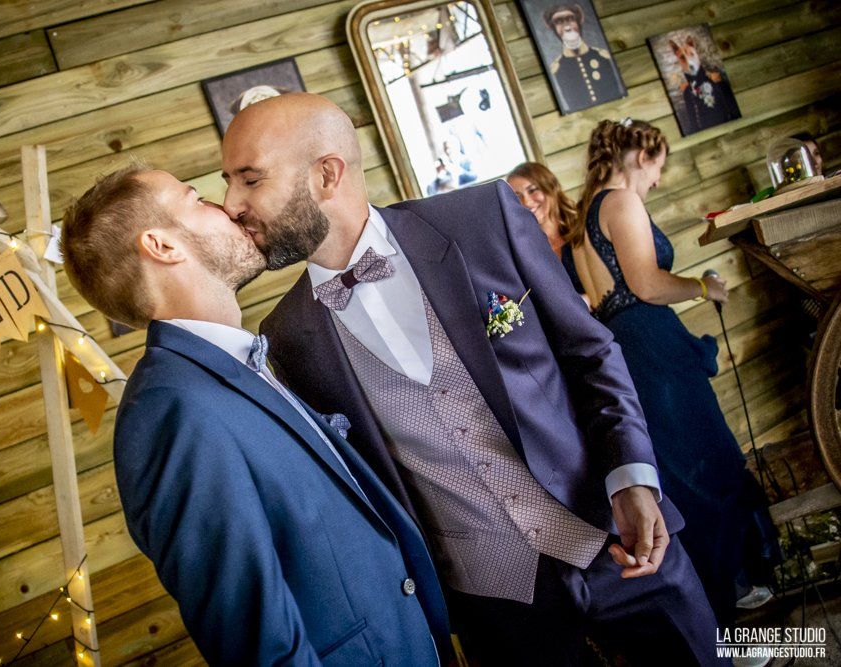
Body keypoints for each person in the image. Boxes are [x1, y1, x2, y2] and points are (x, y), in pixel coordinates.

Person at [221, 92, 723, 665]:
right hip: (495, 607)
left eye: (249, 179)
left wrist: (631, 478)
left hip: (617, 535)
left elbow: (591, 353)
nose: (231, 203)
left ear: (327, 174)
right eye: (228, 182)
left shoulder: (483, 217)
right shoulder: (287, 336)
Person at [60, 165, 451, 666]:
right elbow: (258, 645)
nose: (229, 207)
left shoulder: (236, 366)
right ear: (161, 245)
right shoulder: (168, 411)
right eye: (196, 199)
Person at [567, 118, 752, 631]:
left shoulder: (584, 216)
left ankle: (721, 603)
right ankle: (729, 607)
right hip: (651, 344)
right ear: (642, 156)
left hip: (624, 351)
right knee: (704, 461)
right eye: (659, 167)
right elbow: (647, 284)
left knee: (679, 469)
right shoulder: (621, 201)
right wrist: (703, 286)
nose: (658, 179)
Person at [542, 4, 624, 112]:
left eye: (570, 19)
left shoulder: (603, 55)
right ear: (554, 29)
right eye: (559, 22)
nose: (567, 26)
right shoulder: (556, 68)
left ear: (579, 22)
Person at [507, 162, 577, 259]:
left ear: (552, 188)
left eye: (532, 190)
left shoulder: (582, 227)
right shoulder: (521, 251)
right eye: (517, 197)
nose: (526, 202)